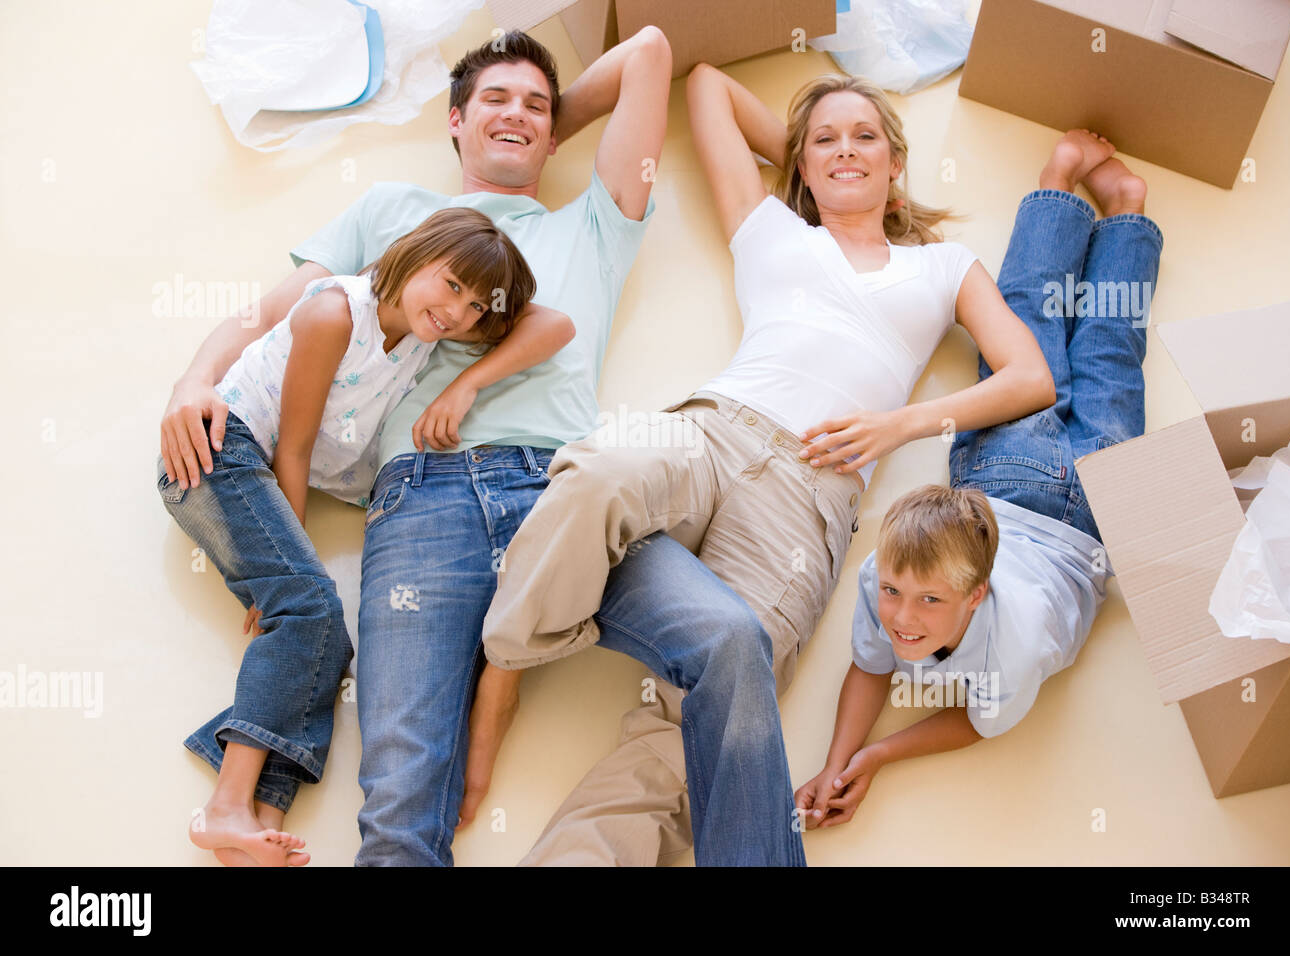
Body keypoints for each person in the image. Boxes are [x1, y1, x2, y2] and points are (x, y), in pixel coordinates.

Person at [464, 68, 1058, 866]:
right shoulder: (772, 226)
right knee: (599, 473)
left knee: (700, 722)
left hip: (813, 494)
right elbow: (705, 84)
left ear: (896, 162)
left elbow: (1030, 377)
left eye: (865, 138)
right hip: (714, 434)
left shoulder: (945, 267)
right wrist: (808, 155)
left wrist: (898, 425)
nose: (846, 149)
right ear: (800, 166)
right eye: (825, 141)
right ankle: (507, 663)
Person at [160, 26, 672, 866]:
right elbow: (264, 320)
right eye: (492, 103)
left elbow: (649, 48)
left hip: (557, 483)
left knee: (327, 635)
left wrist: (526, 132)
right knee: (361, 707)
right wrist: (190, 383)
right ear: (452, 121)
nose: (520, 115)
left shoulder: (580, 230)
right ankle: (234, 803)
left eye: (539, 107)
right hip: (389, 489)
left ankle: (247, 799)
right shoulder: (393, 221)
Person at [157, 207, 571, 866]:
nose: (459, 312)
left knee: (329, 640)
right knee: (309, 609)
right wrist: (283, 574)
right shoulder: (334, 314)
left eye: (474, 304)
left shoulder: (427, 331)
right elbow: (290, 450)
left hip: (246, 472)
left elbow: (556, 324)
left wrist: (466, 384)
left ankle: (265, 811)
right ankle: (223, 808)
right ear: (411, 256)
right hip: (217, 453)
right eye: (450, 285)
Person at [794, 132, 1162, 830]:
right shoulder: (883, 575)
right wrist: (843, 760)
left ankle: (1061, 179)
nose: (902, 615)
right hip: (1093, 507)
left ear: (976, 596)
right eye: (900, 591)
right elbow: (879, 669)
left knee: (1033, 324)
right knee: (1106, 346)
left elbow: (969, 717)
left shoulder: (1011, 642)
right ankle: (1125, 212)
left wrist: (877, 756)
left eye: (929, 599)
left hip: (1005, 480)